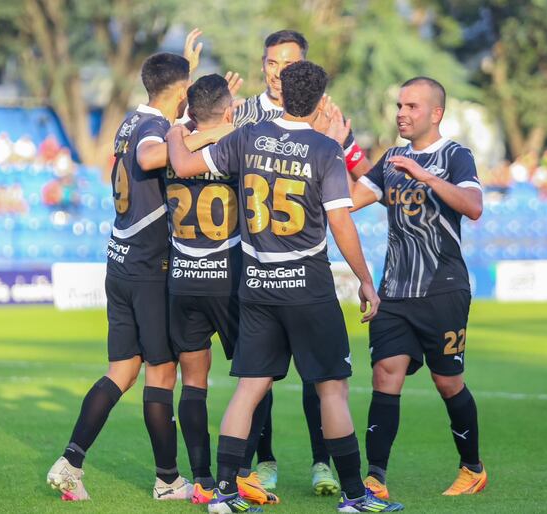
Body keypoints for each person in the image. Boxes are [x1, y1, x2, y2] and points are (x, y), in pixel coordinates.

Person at [167, 60, 403, 514]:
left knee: (249, 388)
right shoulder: (324, 149)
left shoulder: (246, 137)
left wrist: (178, 126)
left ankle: (224, 494)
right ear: (318, 101)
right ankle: (355, 497)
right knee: (331, 388)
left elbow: (182, 162)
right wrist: (366, 280)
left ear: (280, 92)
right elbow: (339, 219)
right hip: (307, 285)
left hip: (256, 284)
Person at [45, 52, 223, 503]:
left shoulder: (129, 120)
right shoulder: (151, 131)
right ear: (181, 93)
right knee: (161, 374)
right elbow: (150, 157)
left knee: (121, 371)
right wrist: (221, 129)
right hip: (148, 269)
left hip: (119, 262)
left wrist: (186, 70)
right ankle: (168, 481)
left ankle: (71, 461)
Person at [342, 76, 487, 499]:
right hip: (394, 291)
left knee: (448, 383)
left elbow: (473, 206)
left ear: (435, 113)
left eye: (412, 107)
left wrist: (424, 175)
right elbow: (350, 200)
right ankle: (376, 478)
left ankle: (472, 468)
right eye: (399, 106)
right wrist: (335, 149)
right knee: (386, 374)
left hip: (443, 289)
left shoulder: (455, 155)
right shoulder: (391, 159)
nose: (402, 113)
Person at [164, 74, 266, 505]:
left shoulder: (170, 148)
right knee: (256, 378)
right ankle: (240, 474)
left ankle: (202, 480)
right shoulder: (235, 146)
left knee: (193, 382)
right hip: (228, 277)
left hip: (182, 278)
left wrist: (182, 122)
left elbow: (183, 126)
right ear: (228, 112)